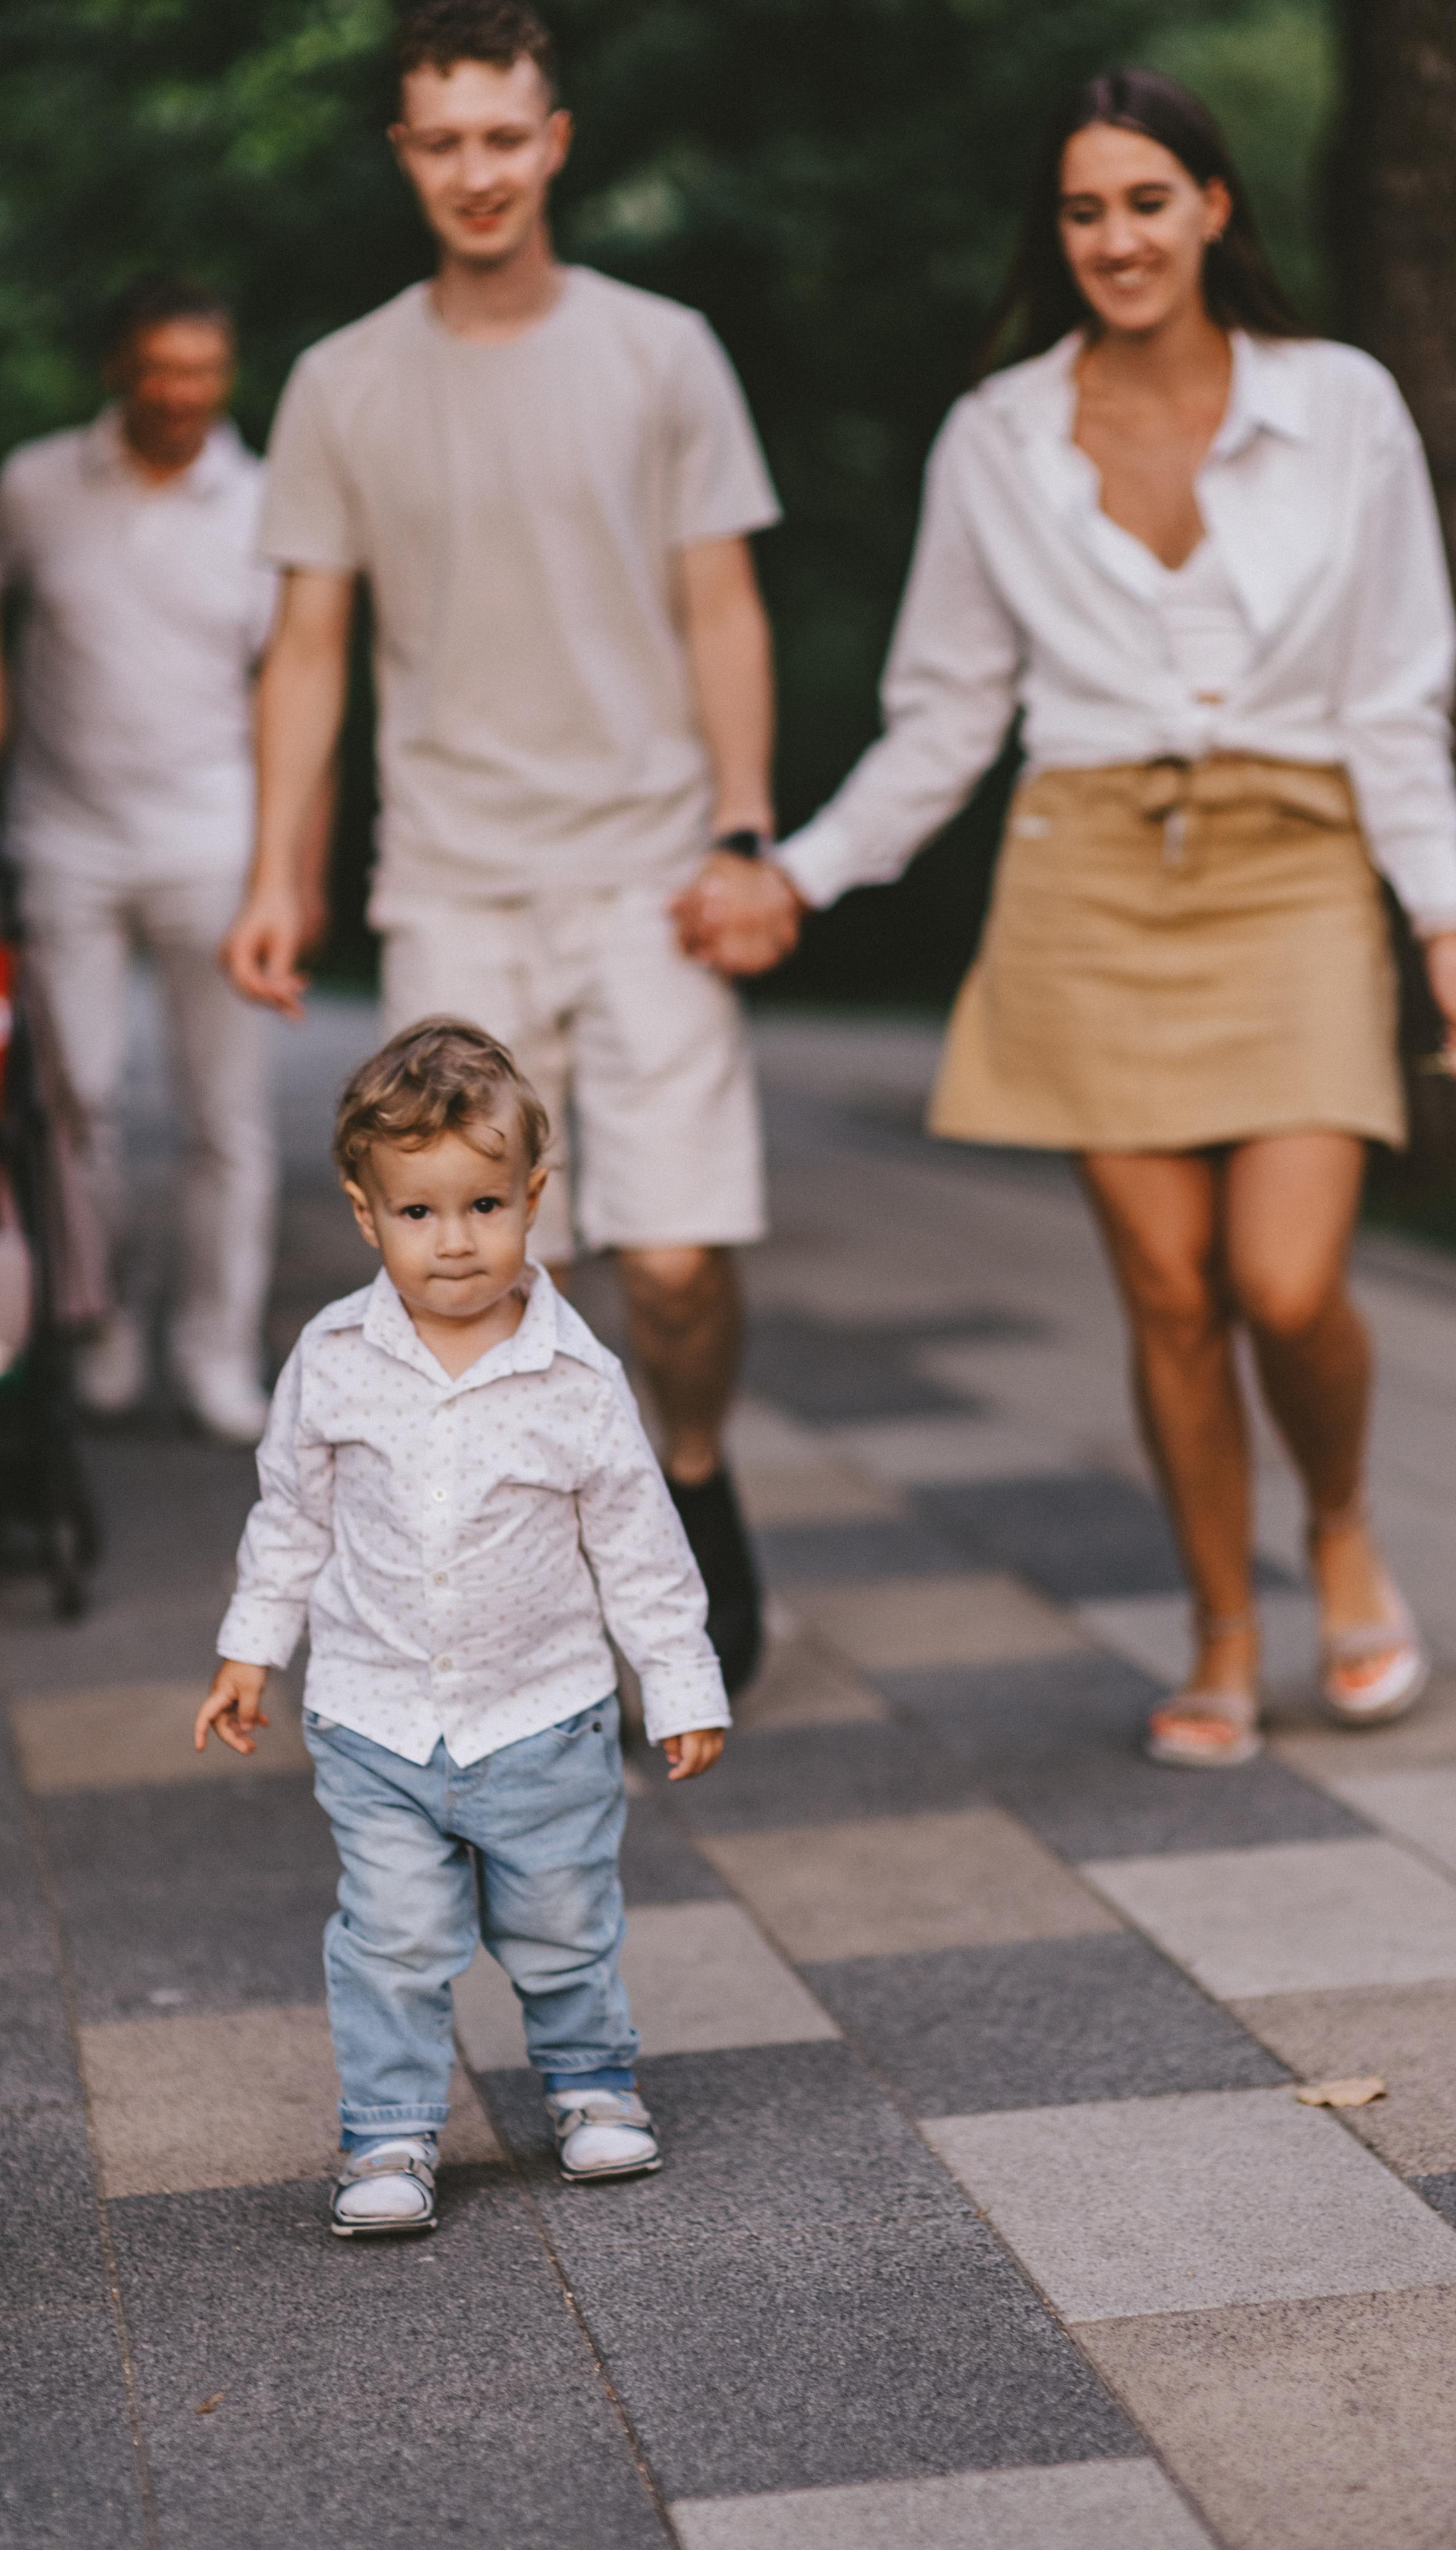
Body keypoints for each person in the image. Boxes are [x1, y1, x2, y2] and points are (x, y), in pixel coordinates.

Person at [678, 68, 1456, 1768]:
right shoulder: (995, 439)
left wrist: (1443, 924)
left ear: (1212, 207)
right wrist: (800, 870)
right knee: (1166, 1294)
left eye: (1145, 201)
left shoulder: (1341, 404)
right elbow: (942, 718)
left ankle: (1336, 1526)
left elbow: (1394, 694)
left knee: (1283, 1284)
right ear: (1053, 234)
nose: (1116, 239)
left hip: (1291, 865)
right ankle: (1219, 1634)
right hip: (1083, 879)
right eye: (1082, 211)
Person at [221, 0, 779, 1691]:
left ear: (554, 143)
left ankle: (690, 1470)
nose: (478, 170)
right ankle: (557, 1585)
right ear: (407, 154)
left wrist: (745, 832)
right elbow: (308, 648)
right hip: (454, 880)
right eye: (444, 140)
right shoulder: (343, 382)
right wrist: (277, 871)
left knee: (673, 1265)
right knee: (488, 1268)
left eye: (504, 136)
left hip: (649, 871)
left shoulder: (661, 352)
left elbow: (720, 603)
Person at [195, 1018, 728, 2235]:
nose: (453, 1242)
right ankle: (388, 2133)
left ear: (533, 1199)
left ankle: (591, 2085)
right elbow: (291, 1517)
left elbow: (639, 1546)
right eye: (419, 1213)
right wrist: (249, 1648)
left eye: (485, 1206)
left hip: (543, 1715)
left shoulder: (578, 1378)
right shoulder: (333, 1359)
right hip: (376, 1718)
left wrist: (681, 1683)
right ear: (365, 1214)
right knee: (391, 1938)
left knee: (562, 1923)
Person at [0, 276, 301, 1444]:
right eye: (161, 368)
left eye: (204, 370)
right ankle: (102, 1325)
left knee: (227, 1117)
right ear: (119, 369)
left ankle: (217, 1352)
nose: (182, 392)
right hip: (63, 838)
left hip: (215, 842)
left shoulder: (266, 503)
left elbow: (295, 692)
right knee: (77, 1105)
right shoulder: (35, 487)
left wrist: (288, 872)